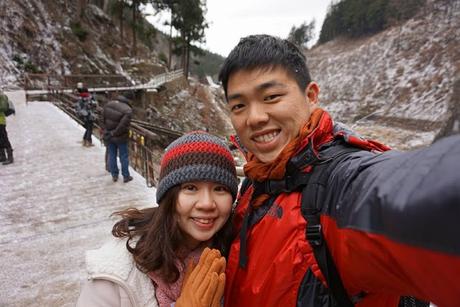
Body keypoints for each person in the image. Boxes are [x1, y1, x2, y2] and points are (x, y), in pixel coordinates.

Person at [218, 34, 460, 307]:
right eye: (239, 106)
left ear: (311, 96)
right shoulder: (257, 178)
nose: (255, 117)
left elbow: (411, 196)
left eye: (271, 97)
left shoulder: (338, 188)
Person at [77, 131, 239, 307]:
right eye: (191, 188)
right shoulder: (116, 274)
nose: (207, 204)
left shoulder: (236, 254)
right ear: (168, 196)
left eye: (220, 189)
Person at [102, 94, 134, 183]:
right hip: (120, 137)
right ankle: (126, 176)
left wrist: (107, 131)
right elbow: (123, 126)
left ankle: (114, 175)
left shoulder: (108, 104)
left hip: (109, 135)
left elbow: (103, 119)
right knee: (123, 156)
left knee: (112, 154)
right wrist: (114, 133)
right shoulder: (127, 110)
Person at [0, 90, 14, 165]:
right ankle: (2, 156)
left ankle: (10, 157)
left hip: (1, 121)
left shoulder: (2, 96)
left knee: (4, 138)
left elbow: (3, 107)